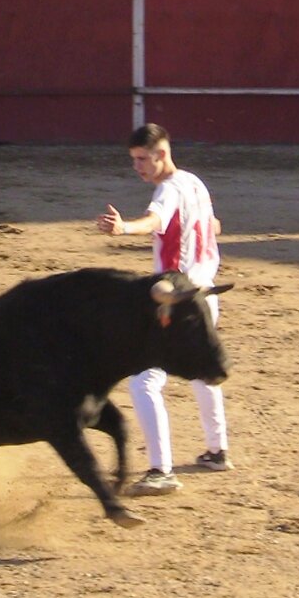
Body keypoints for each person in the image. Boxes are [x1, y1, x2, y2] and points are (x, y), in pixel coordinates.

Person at [96, 123, 232, 495]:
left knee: (144, 382)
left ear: (160, 154)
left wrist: (123, 229)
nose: (137, 167)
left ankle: (161, 470)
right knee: (202, 371)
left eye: (142, 159)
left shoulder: (168, 191)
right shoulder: (194, 182)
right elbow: (214, 225)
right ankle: (217, 450)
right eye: (134, 160)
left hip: (180, 299)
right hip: (207, 295)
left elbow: (155, 220)